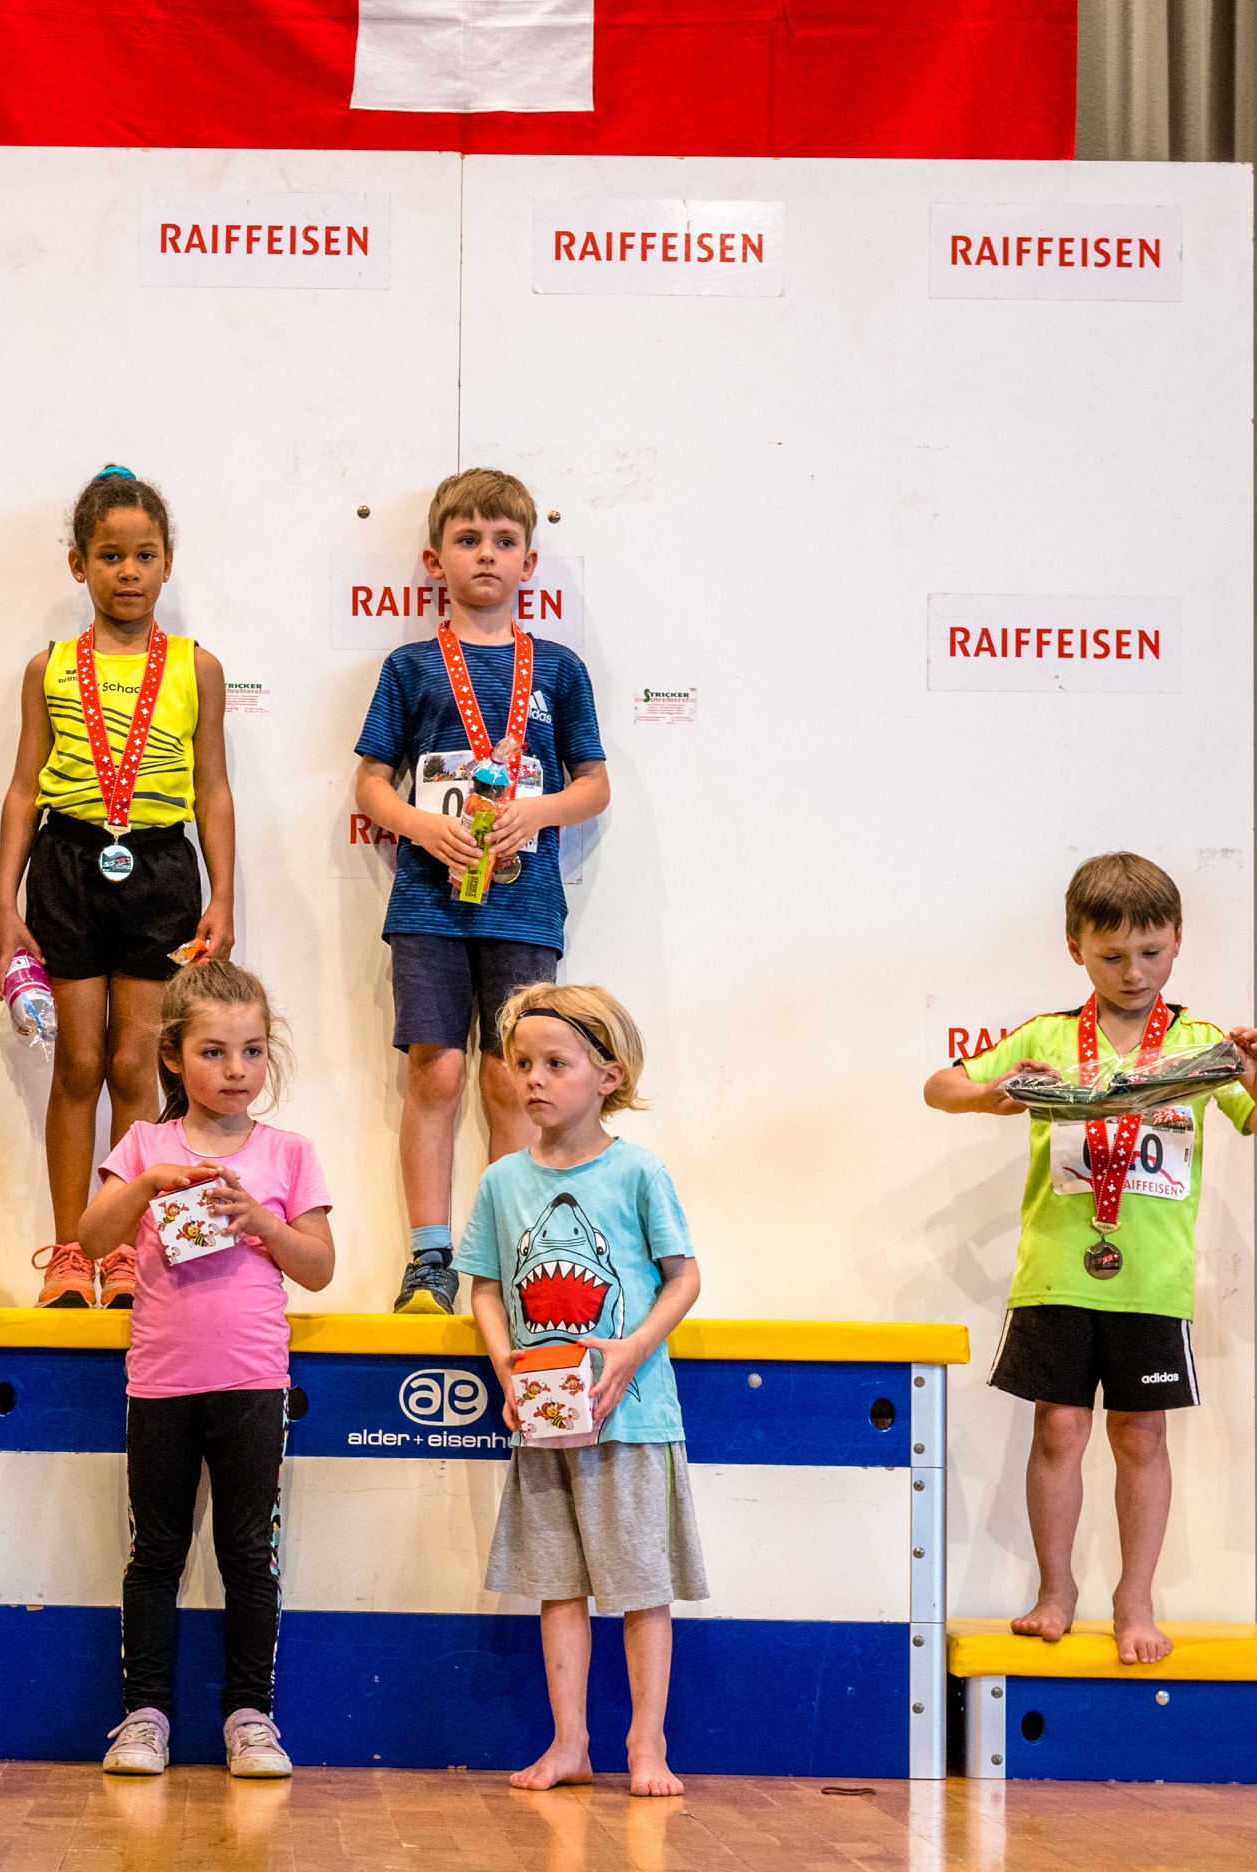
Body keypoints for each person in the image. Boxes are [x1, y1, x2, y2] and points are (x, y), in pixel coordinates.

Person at [923, 853, 1257, 1665]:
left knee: (1140, 1436)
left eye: (1151, 952)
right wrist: (990, 1093)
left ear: (1179, 941)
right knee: (1058, 1428)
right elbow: (938, 1087)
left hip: (1152, 1285)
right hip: (1056, 1273)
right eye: (1112, 955)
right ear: (1076, 949)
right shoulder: (1048, 1036)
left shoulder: (1200, 1046)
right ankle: (1055, 1589)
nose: (1134, 972)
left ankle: (1136, 1598)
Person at [355, 469, 608, 1316]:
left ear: (529, 562)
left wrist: (536, 810)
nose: (486, 555)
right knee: (437, 1073)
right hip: (428, 903)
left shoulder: (560, 669)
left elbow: (594, 784)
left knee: (514, 1079)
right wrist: (419, 826)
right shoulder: (410, 666)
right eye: (468, 540)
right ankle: (429, 1260)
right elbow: (371, 784)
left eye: (504, 542)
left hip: (524, 904)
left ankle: (504, 1258)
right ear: (436, 559)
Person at [80, 961, 335, 1782]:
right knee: (154, 1554)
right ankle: (144, 1717)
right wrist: (147, 1186)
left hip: (254, 1384)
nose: (236, 1070)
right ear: (173, 1057)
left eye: (252, 1051)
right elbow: (91, 1240)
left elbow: (319, 1268)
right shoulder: (143, 1144)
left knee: (248, 1555)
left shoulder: (288, 1153)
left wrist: (262, 1220)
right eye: (214, 1052)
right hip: (161, 1385)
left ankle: (250, 1717)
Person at [0, 467, 236, 1311]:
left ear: (167, 563)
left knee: (136, 1062)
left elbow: (213, 791)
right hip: (67, 866)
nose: (128, 572)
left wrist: (223, 896)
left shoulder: (198, 668)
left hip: (161, 869)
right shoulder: (50, 668)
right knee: (77, 1061)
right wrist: (3, 903)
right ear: (78, 565)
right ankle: (69, 1250)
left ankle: (127, 1249)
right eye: (109, 556)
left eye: (144, 555)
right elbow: (23, 788)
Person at [458, 983, 699, 1797]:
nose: (533, 1079)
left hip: (630, 1420)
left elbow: (683, 1277)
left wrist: (632, 1351)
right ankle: (571, 1743)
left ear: (609, 1074)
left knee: (640, 1588)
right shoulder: (501, 1182)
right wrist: (506, 1366)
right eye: (522, 1063)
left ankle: (647, 1745)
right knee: (557, 1584)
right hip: (546, 1420)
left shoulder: (638, 1172)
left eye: (555, 1064)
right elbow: (484, 1287)